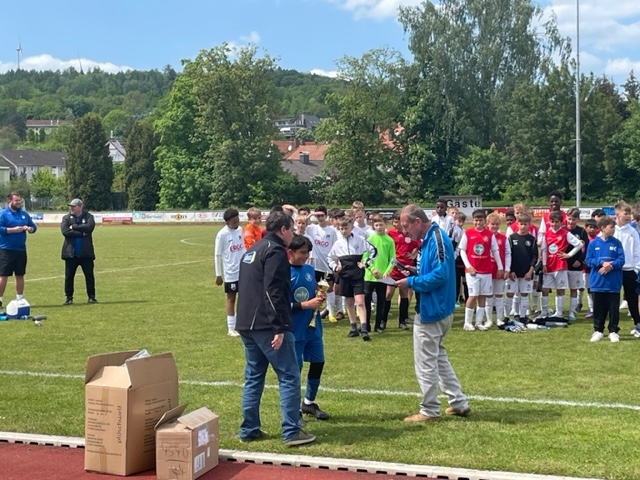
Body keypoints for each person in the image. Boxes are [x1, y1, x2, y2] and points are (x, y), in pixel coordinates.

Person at [236, 211, 315, 446]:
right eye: (291, 229)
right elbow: (273, 291)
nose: (293, 234)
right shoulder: (275, 251)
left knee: (253, 377)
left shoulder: (252, 250)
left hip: (246, 323)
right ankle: (291, 431)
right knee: (289, 375)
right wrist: (278, 326)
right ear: (283, 229)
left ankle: (249, 429)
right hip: (267, 324)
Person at [397, 204, 470, 422]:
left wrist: (411, 281)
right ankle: (458, 402)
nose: (404, 231)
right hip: (439, 307)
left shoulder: (437, 238)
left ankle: (429, 410)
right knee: (438, 357)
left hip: (433, 309)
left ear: (417, 221)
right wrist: (415, 272)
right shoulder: (432, 238)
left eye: (406, 226)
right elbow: (437, 270)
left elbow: (441, 274)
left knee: (425, 362)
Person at [288, 234, 330, 420]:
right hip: (294, 329)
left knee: (318, 362)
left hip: (312, 327)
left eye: (307, 253)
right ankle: (294, 409)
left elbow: (312, 293)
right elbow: (279, 305)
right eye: (302, 253)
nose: (305, 256)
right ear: (291, 252)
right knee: (294, 370)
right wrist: (306, 305)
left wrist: (319, 297)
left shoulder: (309, 269)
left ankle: (308, 402)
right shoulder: (283, 272)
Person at [328, 217, 377, 340]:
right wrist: (335, 267)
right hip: (345, 276)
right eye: (341, 229)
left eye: (346, 228)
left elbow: (374, 251)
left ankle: (364, 328)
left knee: (360, 302)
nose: (344, 231)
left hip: (357, 275)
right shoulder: (338, 243)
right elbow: (330, 258)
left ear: (351, 228)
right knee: (349, 302)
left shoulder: (360, 240)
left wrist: (366, 263)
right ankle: (353, 327)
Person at [458, 209, 503, 331]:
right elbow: (462, 251)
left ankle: (478, 322)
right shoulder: (468, 233)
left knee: (482, 296)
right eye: (476, 220)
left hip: (486, 271)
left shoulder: (489, 234)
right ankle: (467, 323)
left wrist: (500, 267)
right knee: (473, 295)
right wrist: (468, 266)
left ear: (485, 221)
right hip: (473, 271)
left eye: (480, 220)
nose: (478, 222)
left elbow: (495, 251)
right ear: (473, 220)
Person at [585, 217, 625, 343]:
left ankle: (613, 331)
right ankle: (598, 331)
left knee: (613, 309)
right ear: (603, 228)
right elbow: (588, 260)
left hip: (613, 283)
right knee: (598, 309)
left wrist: (611, 266)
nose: (613, 229)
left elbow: (621, 260)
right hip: (597, 283)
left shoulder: (617, 243)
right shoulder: (593, 243)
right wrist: (601, 263)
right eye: (611, 227)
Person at [539, 210, 583, 319]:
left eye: (557, 222)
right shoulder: (546, 234)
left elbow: (579, 244)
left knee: (560, 289)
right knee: (544, 289)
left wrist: (569, 255)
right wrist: (544, 264)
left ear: (561, 222)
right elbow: (544, 250)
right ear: (549, 222)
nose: (554, 224)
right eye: (552, 222)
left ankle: (559, 313)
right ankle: (543, 312)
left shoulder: (565, 233)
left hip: (560, 266)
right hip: (549, 266)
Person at [0, 192, 37, 308]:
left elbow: (33, 226)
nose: (18, 202)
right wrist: (13, 230)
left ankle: (19, 299)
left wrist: (30, 229)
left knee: (20, 274)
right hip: (6, 250)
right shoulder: (3, 214)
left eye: (19, 200)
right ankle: (0, 299)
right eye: (16, 200)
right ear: (9, 201)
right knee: (3, 275)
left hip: (21, 250)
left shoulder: (23, 214)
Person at [386, 210, 420, 329]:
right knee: (388, 293)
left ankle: (402, 321)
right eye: (394, 222)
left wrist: (414, 254)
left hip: (405, 268)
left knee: (404, 293)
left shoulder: (410, 233)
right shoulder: (390, 233)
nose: (395, 224)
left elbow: (419, 244)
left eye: (398, 222)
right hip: (392, 268)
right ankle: (383, 320)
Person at [214, 208, 245, 337]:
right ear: (227, 222)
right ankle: (231, 328)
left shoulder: (240, 230)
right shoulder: (222, 234)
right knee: (231, 298)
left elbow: (243, 248)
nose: (236, 223)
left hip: (243, 270)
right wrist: (218, 274)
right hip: (230, 272)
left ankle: (241, 325)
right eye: (233, 222)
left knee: (244, 298)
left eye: (237, 220)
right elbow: (217, 255)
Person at [363, 215, 395, 333]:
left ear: (385, 224)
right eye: (376, 225)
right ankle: (366, 325)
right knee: (366, 301)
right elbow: (365, 257)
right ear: (373, 226)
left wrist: (387, 272)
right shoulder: (370, 239)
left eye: (381, 225)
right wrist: (372, 268)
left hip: (382, 277)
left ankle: (378, 325)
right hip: (369, 276)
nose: (379, 227)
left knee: (381, 301)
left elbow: (392, 259)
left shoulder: (389, 240)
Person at [60, 198, 96, 304]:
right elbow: (65, 232)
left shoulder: (89, 217)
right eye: (70, 206)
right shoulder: (66, 218)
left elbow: (89, 228)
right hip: (70, 254)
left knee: (89, 276)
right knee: (69, 277)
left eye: (73, 206)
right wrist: (81, 233)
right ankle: (68, 297)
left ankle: (91, 297)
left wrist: (74, 227)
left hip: (85, 253)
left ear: (80, 207)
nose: (71, 208)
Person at [612, 201, 640, 337]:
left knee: (632, 299)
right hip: (613, 270)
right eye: (626, 213)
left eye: (629, 214)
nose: (629, 216)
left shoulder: (633, 231)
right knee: (613, 299)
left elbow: (637, 251)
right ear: (617, 214)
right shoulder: (611, 230)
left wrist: (636, 268)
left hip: (629, 270)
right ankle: (613, 328)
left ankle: (638, 324)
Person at [505, 213, 538, 321]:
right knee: (510, 294)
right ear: (517, 224)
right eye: (521, 224)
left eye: (525, 224)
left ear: (529, 225)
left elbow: (534, 256)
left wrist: (530, 271)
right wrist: (511, 270)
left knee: (524, 294)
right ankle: (508, 316)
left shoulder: (532, 239)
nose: (523, 226)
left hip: (526, 272)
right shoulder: (511, 238)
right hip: (514, 272)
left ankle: (523, 316)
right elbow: (508, 255)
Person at [565, 208, 589, 321]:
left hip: (575, 264)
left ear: (578, 219)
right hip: (562, 263)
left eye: (573, 219)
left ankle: (572, 311)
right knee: (560, 288)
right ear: (566, 218)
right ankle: (558, 312)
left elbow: (587, 248)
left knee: (573, 288)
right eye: (569, 219)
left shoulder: (582, 231)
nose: (571, 221)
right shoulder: (562, 230)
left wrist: (580, 260)